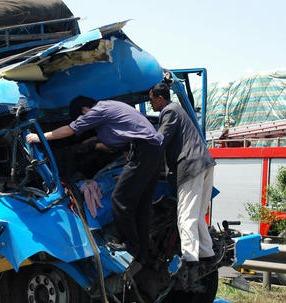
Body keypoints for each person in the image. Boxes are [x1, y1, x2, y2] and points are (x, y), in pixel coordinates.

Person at [26, 96, 163, 263]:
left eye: (81, 117)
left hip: (143, 152)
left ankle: (130, 246)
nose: (83, 121)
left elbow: (69, 129)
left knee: (119, 201)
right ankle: (143, 253)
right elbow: (125, 139)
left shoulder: (99, 110)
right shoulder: (113, 107)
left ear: (84, 109)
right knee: (142, 204)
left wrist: (39, 137)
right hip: (154, 152)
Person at [149, 81, 216, 284]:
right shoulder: (178, 109)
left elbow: (160, 141)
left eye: (151, 100)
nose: (151, 105)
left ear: (160, 98)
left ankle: (190, 261)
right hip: (204, 163)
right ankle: (208, 255)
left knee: (185, 217)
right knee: (196, 216)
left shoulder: (169, 111)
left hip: (190, 167)